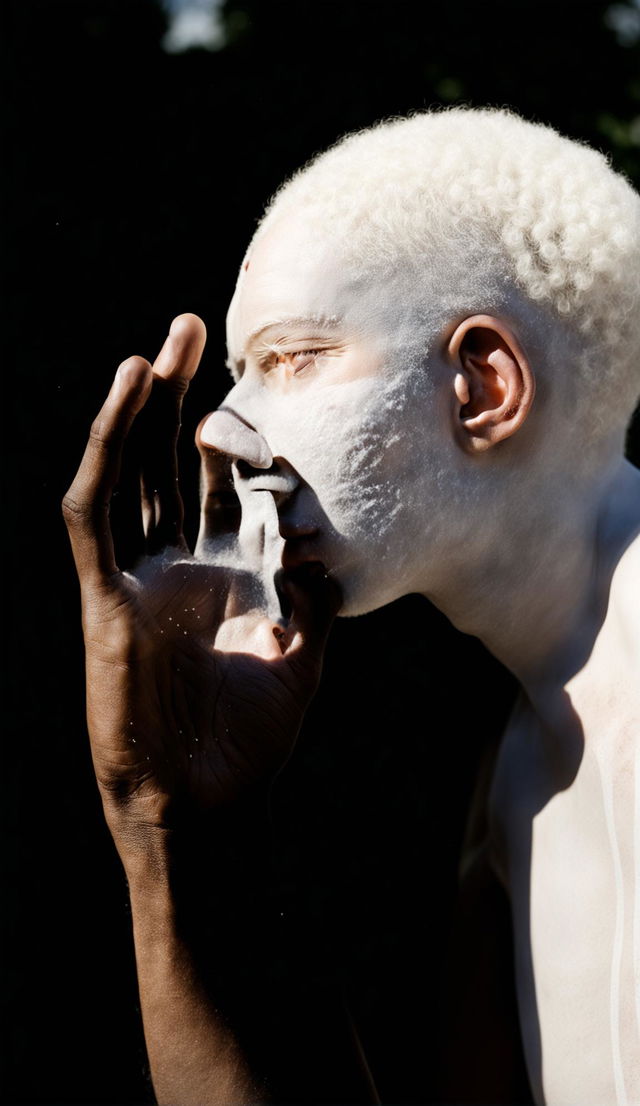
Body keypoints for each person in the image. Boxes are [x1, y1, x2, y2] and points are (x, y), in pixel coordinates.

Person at [63, 107, 640, 1105]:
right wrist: (168, 829)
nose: (222, 430)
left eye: (292, 359)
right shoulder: (523, 775)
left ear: (481, 385)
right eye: (239, 374)